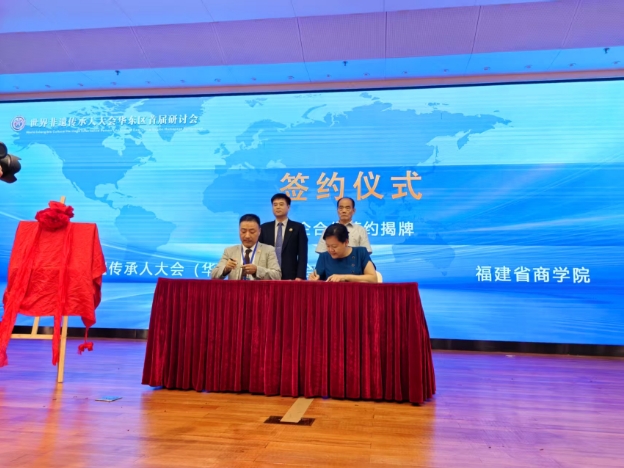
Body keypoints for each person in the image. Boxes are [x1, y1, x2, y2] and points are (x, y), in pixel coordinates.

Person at [211, 214, 281, 280]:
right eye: (243, 231)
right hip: (236, 289)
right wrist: (225, 269)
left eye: (252, 231)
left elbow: (277, 276)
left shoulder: (268, 250)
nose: (247, 236)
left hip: (258, 289)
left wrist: (257, 270)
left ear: (259, 231)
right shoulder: (229, 251)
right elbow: (213, 275)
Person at [258, 193, 308, 280]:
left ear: (288, 207)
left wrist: (300, 276)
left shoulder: (298, 227)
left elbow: (302, 254)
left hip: (291, 275)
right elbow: (259, 252)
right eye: (275, 205)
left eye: (281, 204)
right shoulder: (264, 228)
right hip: (268, 274)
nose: (278, 207)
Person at [309, 223, 377, 283]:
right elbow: (318, 279)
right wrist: (314, 279)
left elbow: (373, 279)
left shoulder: (360, 253)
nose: (330, 250)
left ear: (346, 242)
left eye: (334, 246)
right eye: (328, 246)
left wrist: (344, 277)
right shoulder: (324, 257)